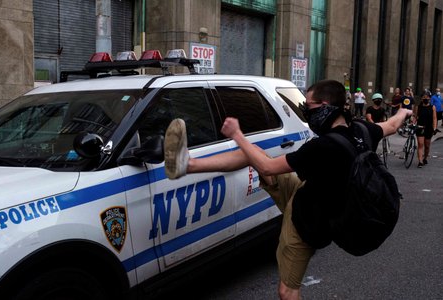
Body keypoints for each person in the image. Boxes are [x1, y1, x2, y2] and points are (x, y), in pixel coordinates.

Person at [163, 79, 413, 300]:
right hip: (312, 194)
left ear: (326, 106)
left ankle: (189, 163)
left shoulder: (323, 147)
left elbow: (269, 168)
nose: (306, 113)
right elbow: (391, 125)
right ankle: (187, 164)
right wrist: (404, 110)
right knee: (253, 154)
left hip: (307, 220)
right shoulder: (361, 129)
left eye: (309, 107)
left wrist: (237, 134)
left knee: (287, 291)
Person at [415, 90, 437, 168]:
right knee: (420, 144)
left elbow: (434, 119)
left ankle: (425, 158)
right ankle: (420, 161)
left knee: (427, 146)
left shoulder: (432, 107)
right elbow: (415, 117)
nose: (425, 98)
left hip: (429, 128)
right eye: (424, 97)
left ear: (430, 98)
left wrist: (434, 128)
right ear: (421, 99)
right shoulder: (418, 107)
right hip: (420, 127)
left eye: (427, 97)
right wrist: (413, 124)